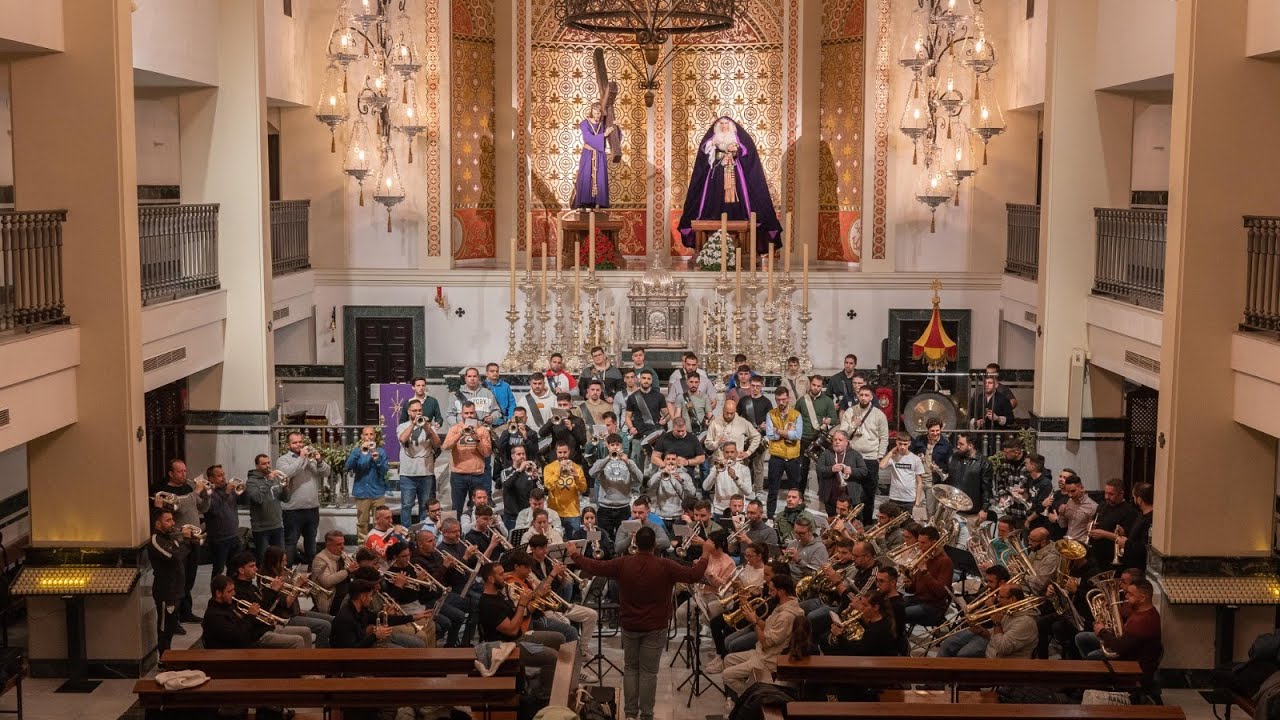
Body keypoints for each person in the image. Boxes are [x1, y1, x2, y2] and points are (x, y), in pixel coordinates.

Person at [568, 528, 711, 720]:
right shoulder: (665, 565)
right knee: (649, 673)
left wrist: (575, 554)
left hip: (630, 625)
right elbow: (693, 576)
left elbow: (595, 567)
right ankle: (647, 716)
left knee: (631, 669)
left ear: (636, 544)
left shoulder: (624, 562)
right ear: (654, 545)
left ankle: (630, 714)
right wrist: (706, 555)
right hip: (656, 626)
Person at [677, 115, 782, 256]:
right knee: (713, 193)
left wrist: (735, 151)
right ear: (718, 126)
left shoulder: (736, 138)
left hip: (734, 171)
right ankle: (713, 215)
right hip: (717, 171)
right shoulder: (714, 138)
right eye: (722, 123)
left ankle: (737, 214)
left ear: (731, 126)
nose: (724, 125)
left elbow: (746, 151)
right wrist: (712, 145)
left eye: (727, 123)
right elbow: (705, 152)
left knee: (740, 192)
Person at [476, 562, 564, 701]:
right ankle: (543, 695)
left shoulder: (499, 595)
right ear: (491, 579)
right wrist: (522, 604)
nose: (505, 576)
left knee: (559, 638)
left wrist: (537, 596)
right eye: (500, 574)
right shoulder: (488, 604)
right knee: (552, 656)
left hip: (520, 637)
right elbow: (511, 630)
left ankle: (545, 679)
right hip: (509, 646)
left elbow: (522, 614)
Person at [720, 574, 804, 701]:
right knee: (728, 659)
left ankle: (751, 699)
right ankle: (734, 700)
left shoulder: (786, 616)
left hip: (768, 660)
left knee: (727, 675)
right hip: (761, 653)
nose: (769, 593)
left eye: (772, 590)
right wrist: (756, 618)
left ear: (781, 591)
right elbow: (767, 627)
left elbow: (766, 643)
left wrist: (754, 622)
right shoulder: (781, 606)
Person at [152, 458, 209, 624]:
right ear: (171, 473)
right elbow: (179, 506)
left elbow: (203, 508)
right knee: (179, 580)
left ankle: (186, 612)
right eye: (180, 471)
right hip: (178, 539)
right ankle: (174, 619)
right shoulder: (165, 492)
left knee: (190, 578)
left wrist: (205, 494)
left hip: (193, 538)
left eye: (185, 471)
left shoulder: (188, 488)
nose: (184, 474)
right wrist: (196, 493)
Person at [1076, 578, 1163, 681]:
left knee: (1090, 659)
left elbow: (1120, 648)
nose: (1126, 596)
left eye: (1130, 594)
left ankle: (1093, 681)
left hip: (1134, 664)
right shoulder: (1142, 610)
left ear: (1142, 598)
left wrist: (1102, 631)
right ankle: (1094, 679)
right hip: (1129, 649)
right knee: (1082, 638)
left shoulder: (1143, 622)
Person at [228, 552, 318, 648]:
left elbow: (264, 607)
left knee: (306, 632)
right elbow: (260, 612)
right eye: (252, 566)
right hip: (258, 633)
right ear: (241, 570)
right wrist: (273, 592)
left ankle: (309, 661)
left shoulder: (251, 586)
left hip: (268, 626)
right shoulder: (237, 590)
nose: (256, 569)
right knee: (298, 640)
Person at [202, 574, 310, 649]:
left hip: (255, 632)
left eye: (233, 590)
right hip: (240, 649)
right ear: (218, 593)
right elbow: (239, 637)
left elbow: (242, 623)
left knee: (305, 632)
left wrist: (263, 620)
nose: (234, 594)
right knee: (298, 640)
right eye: (230, 591)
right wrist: (251, 616)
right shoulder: (214, 616)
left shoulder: (227, 605)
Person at [276, 432, 330, 566]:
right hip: (293, 510)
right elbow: (286, 474)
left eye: (300, 442)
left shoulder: (309, 458)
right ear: (288, 445)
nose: (298, 445)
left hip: (312, 509)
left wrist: (319, 460)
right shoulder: (283, 460)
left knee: (311, 543)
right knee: (291, 543)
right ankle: (287, 573)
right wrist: (301, 458)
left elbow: (326, 472)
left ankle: (313, 573)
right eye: (294, 443)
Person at [147, 508, 196, 653]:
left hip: (177, 590)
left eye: (172, 519)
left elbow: (182, 554)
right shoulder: (156, 540)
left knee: (171, 628)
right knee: (165, 630)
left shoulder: (171, 537)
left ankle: (168, 658)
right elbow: (176, 557)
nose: (172, 523)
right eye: (168, 520)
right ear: (157, 524)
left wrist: (191, 541)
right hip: (166, 592)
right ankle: (163, 660)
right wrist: (186, 540)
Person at [939, 565, 1013, 657]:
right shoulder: (987, 590)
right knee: (946, 644)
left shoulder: (1009, 596)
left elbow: (1003, 622)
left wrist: (990, 606)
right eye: (987, 581)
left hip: (991, 635)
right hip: (978, 628)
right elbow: (974, 610)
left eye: (991, 582)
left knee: (964, 654)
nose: (987, 585)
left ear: (1001, 582)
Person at [841, 385, 890, 525]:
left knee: (869, 493)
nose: (863, 397)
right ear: (857, 396)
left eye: (866, 395)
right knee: (852, 493)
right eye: (861, 395)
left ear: (871, 397)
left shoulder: (879, 414)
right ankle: (852, 523)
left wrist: (879, 456)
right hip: (853, 457)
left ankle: (867, 524)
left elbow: (884, 437)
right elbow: (843, 434)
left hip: (870, 458)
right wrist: (853, 425)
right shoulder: (850, 412)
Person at [396, 399, 441, 528]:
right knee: (406, 505)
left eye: (419, 410)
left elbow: (437, 444)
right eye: (414, 411)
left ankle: (424, 532)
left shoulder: (429, 426)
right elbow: (403, 439)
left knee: (424, 506)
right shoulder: (402, 426)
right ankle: (406, 532)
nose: (417, 413)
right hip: (407, 473)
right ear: (409, 412)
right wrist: (413, 424)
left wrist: (428, 428)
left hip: (426, 473)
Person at [443, 401, 494, 514]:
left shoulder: (482, 430)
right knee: (456, 508)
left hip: (477, 475)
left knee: (478, 509)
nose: (469, 415)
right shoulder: (455, 428)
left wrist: (477, 439)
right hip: (458, 475)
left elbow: (487, 453)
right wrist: (460, 434)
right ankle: (456, 531)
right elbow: (445, 446)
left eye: (471, 412)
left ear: (475, 413)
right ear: (462, 414)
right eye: (466, 413)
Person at [591, 432, 644, 536]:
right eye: (612, 445)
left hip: (623, 507)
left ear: (621, 446)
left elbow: (640, 479)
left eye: (617, 444)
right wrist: (607, 459)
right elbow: (592, 473)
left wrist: (628, 462)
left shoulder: (629, 462)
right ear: (608, 446)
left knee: (624, 536)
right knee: (605, 537)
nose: (615, 447)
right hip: (605, 508)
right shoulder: (601, 461)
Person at [763, 387, 803, 516]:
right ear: (775, 399)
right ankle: (770, 515)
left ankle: (795, 515)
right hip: (777, 456)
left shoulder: (796, 415)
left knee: (795, 489)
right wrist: (786, 434)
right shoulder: (771, 414)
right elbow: (770, 435)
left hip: (793, 457)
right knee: (773, 489)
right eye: (778, 400)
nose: (781, 402)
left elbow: (797, 435)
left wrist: (779, 431)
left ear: (788, 399)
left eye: (783, 399)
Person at [796, 375, 839, 496]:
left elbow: (835, 419)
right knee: (802, 470)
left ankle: (823, 495)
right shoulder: (802, 401)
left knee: (822, 469)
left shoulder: (827, 401)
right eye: (814, 385)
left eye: (818, 386)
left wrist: (829, 421)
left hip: (819, 439)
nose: (815, 388)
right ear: (810, 384)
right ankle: (800, 495)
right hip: (803, 439)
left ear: (822, 386)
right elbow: (795, 418)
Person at [903, 526, 953, 626]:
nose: (919, 546)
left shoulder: (945, 561)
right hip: (918, 599)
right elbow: (914, 590)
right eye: (918, 542)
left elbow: (940, 592)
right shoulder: (923, 556)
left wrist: (924, 571)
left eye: (923, 543)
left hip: (933, 607)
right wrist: (910, 584)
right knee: (889, 606)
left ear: (934, 543)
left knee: (898, 614)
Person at [971, 585, 1040, 658]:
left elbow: (1003, 648)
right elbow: (997, 635)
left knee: (963, 655)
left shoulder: (1025, 622)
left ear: (1012, 599)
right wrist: (982, 632)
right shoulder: (1010, 611)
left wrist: (997, 623)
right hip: (991, 657)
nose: (998, 599)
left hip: (1007, 666)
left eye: (1001, 597)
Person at [247, 453, 291, 565]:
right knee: (263, 560)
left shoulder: (276, 479)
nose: (267, 466)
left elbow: (286, 499)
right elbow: (258, 499)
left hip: (277, 525)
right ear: (257, 466)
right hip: (261, 529)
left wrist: (286, 488)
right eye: (263, 464)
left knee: (280, 559)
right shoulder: (251, 482)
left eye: (268, 462)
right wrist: (269, 480)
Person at [823, 591, 899, 657]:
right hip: (869, 656)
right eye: (861, 604)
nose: (861, 608)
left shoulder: (875, 631)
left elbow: (855, 652)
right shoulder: (883, 619)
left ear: (876, 607)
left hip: (872, 665)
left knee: (829, 647)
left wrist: (839, 635)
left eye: (865, 605)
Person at [345, 426, 388, 540]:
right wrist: (359, 451)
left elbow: (384, 471)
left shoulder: (381, 451)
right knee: (362, 522)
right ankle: (362, 548)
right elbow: (348, 466)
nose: (369, 437)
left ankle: (378, 545)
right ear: (362, 437)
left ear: (375, 436)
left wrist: (377, 459)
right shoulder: (356, 451)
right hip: (362, 492)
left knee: (380, 522)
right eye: (366, 435)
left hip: (377, 492)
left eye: (371, 434)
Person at [816, 429, 872, 516]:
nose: (837, 442)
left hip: (851, 497)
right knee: (832, 523)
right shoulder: (826, 454)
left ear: (846, 442)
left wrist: (852, 470)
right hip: (831, 497)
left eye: (840, 440)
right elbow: (819, 469)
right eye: (835, 440)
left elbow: (864, 471)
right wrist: (831, 469)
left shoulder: (855, 454)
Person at [202, 464, 243, 580]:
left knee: (235, 569)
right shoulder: (208, 492)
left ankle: (232, 593)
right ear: (211, 478)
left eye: (223, 474)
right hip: (219, 539)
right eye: (219, 476)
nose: (223, 478)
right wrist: (226, 492)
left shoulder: (229, 490)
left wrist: (243, 490)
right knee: (218, 570)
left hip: (234, 535)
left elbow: (243, 501)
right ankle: (217, 595)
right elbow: (213, 510)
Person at [1088, 478, 1140, 568]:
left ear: (1121, 494)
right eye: (1105, 493)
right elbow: (1094, 521)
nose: (1106, 497)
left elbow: (1127, 539)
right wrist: (1090, 526)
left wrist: (1103, 534)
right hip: (1096, 555)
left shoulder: (1130, 511)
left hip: (1112, 557)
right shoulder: (1102, 505)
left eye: (1111, 494)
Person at [737, 376, 773, 498]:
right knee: (745, 465)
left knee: (758, 466)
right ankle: (746, 488)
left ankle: (758, 490)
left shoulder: (767, 402)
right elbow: (737, 417)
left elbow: (771, 421)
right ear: (750, 385)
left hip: (760, 439)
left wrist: (766, 426)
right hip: (746, 439)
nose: (755, 389)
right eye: (753, 386)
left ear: (762, 386)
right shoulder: (744, 401)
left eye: (758, 386)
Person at [625, 369, 667, 470]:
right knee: (636, 465)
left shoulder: (659, 396)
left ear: (652, 381)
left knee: (656, 465)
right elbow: (627, 417)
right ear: (639, 380)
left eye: (649, 379)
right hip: (638, 435)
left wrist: (665, 420)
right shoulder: (632, 397)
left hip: (655, 435)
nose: (646, 381)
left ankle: (655, 485)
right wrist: (631, 428)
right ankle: (636, 486)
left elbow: (667, 414)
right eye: (644, 378)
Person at [880, 431, 927, 521]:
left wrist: (917, 502)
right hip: (894, 498)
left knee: (910, 526)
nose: (902, 447)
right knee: (893, 525)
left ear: (909, 444)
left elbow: (920, 482)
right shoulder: (893, 457)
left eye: (905, 444)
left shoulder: (915, 459)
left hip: (910, 499)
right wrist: (890, 453)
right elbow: (882, 466)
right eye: (900, 444)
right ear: (896, 443)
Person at [543, 442, 587, 535]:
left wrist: (576, 478)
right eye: (560, 452)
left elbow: (583, 489)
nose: (562, 455)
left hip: (572, 513)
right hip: (554, 512)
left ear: (569, 452)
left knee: (574, 541)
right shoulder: (549, 468)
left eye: (565, 452)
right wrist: (558, 472)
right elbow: (548, 486)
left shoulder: (577, 468)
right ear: (556, 452)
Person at [703, 398, 762, 466]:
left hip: (737, 463)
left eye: (732, 413)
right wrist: (717, 443)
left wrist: (748, 452)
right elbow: (707, 444)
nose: (729, 416)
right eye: (727, 413)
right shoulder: (715, 422)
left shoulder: (743, 422)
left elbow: (756, 436)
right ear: (723, 410)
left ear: (735, 410)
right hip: (719, 462)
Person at [310, 529, 356, 615]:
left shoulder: (342, 555)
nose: (342, 547)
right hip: (331, 600)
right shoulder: (320, 559)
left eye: (343, 543)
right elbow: (327, 581)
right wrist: (347, 571)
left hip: (345, 594)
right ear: (328, 545)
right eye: (339, 544)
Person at [646, 452, 698, 528]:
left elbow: (692, 493)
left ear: (677, 461)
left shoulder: (685, 475)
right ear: (664, 461)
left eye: (673, 459)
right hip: (661, 516)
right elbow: (649, 485)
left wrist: (681, 481)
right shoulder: (659, 474)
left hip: (679, 516)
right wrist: (661, 473)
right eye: (668, 459)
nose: (670, 461)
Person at [703, 441, 752, 515]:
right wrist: (715, 473)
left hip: (738, 509)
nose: (729, 455)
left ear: (736, 453)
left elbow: (748, 492)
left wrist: (736, 478)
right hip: (719, 510)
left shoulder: (744, 469)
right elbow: (705, 487)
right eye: (727, 452)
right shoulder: (716, 468)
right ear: (723, 453)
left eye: (732, 452)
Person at [539, 393, 588, 465]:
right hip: (556, 459)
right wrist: (552, 422)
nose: (562, 407)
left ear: (570, 405)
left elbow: (583, 441)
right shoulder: (553, 420)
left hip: (573, 459)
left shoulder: (578, 420)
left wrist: (572, 429)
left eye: (565, 405)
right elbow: (541, 433)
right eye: (560, 405)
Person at [1117, 482, 1154, 573]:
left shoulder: (1151, 519)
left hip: (1140, 567)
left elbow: (1144, 548)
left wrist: (1126, 543)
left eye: (1134, 497)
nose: (1133, 499)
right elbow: (1136, 537)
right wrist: (1124, 533)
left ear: (1140, 500)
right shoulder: (1141, 515)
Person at [501, 445, 540, 531]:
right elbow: (506, 484)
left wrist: (536, 480)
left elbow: (540, 492)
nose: (522, 456)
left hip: (528, 515)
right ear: (512, 456)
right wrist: (519, 470)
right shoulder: (506, 472)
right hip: (512, 516)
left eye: (523, 454)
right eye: (519, 454)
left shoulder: (530, 471)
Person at [1053, 473, 1098, 543]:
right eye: (1068, 492)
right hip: (1067, 541)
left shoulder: (1092, 507)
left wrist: (1091, 528)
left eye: (1073, 491)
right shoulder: (1070, 501)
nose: (1070, 495)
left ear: (1082, 488)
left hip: (1081, 544)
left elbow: (1092, 533)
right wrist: (1061, 514)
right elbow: (1062, 525)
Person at [782, 515, 828, 580]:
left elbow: (816, 574)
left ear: (810, 532)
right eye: (796, 532)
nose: (797, 536)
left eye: (802, 533)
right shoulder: (793, 543)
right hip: (787, 578)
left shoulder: (819, 548)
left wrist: (798, 560)